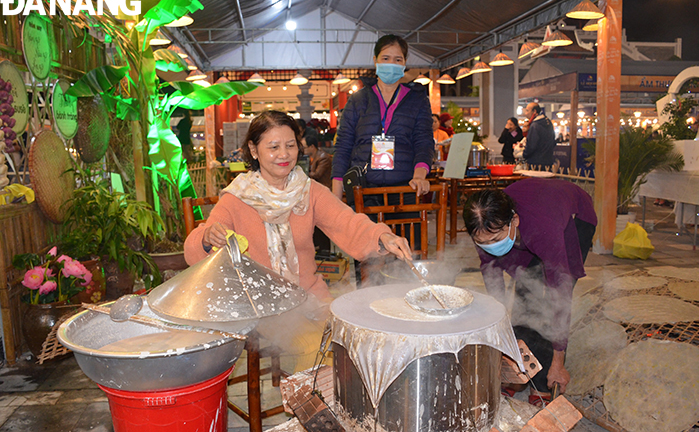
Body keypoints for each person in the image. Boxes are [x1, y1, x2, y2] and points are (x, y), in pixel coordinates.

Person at [184, 111, 414, 368]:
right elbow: (195, 255)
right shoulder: (237, 198)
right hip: (262, 304)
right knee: (314, 347)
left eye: (290, 145)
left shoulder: (309, 191)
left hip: (310, 295)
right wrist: (207, 237)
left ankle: (336, 402)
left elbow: (346, 221)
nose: (284, 154)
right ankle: (313, 406)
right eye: (273, 147)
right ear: (254, 149)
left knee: (358, 335)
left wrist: (381, 235)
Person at [463, 179, 597, 406]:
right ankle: (520, 368)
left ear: (513, 220)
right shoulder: (484, 225)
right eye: (483, 242)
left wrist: (559, 362)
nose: (490, 245)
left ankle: (546, 377)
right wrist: (501, 330)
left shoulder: (542, 227)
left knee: (549, 300)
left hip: (573, 218)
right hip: (535, 218)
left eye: (496, 240)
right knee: (526, 290)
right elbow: (493, 277)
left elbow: (560, 298)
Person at [331, 34, 434, 201]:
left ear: (404, 63)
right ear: (375, 60)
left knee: (406, 227)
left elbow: (424, 142)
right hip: (363, 190)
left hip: (405, 188)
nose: (391, 64)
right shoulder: (358, 100)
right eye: (385, 58)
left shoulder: (418, 100)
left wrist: (420, 176)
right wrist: (335, 198)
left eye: (398, 59)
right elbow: (343, 146)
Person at [522, 102, 555, 168]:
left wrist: (524, 154)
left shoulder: (535, 125)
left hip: (535, 162)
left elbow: (531, 145)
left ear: (534, 111)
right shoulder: (548, 122)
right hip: (548, 160)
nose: (526, 113)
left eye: (527, 110)